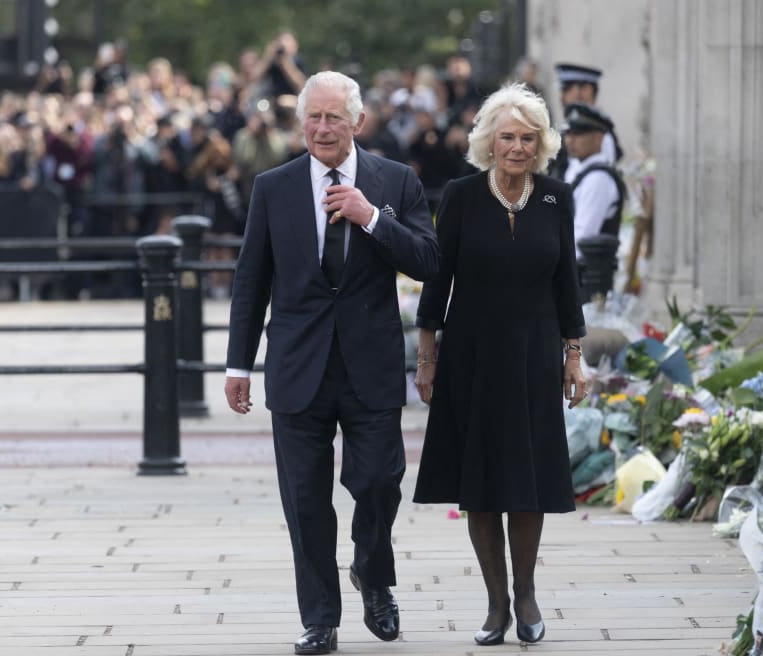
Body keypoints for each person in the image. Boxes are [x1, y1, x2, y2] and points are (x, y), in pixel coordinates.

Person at [224, 71, 439, 655]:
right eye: (312, 118)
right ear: (300, 124)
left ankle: (373, 574)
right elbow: (251, 280)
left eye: (334, 118)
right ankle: (319, 618)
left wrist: (371, 217)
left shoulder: (395, 180)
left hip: (369, 364)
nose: (322, 129)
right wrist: (237, 365)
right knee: (305, 499)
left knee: (377, 484)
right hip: (298, 367)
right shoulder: (273, 187)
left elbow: (428, 262)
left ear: (358, 123)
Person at [412, 82, 588, 646]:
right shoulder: (462, 195)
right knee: (482, 481)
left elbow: (568, 283)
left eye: (528, 138)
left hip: (535, 355)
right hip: (472, 354)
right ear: (489, 141)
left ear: (542, 143)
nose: (517, 146)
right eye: (508, 137)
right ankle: (496, 604)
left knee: (527, 480)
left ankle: (528, 593)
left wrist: (574, 357)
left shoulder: (558, 196)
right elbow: (438, 281)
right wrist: (426, 357)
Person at [562, 103, 625, 258]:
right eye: (568, 134)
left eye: (578, 134)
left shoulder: (597, 179)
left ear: (599, 138)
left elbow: (581, 239)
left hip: (584, 276)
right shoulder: (584, 174)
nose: (570, 141)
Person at [550, 62, 622, 180]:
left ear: (586, 90)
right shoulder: (569, 125)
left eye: (566, 90)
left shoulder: (601, 133)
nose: (561, 97)